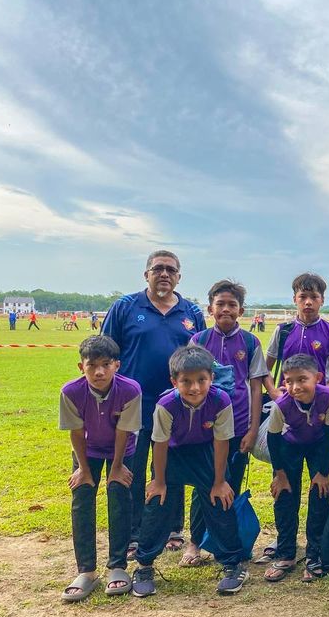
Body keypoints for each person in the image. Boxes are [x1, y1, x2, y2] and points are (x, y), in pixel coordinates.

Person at [101, 250, 206, 558]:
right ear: (145, 274)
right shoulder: (125, 307)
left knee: (170, 467)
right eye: (158, 269)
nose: (164, 274)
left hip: (178, 406)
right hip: (133, 404)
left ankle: (171, 528)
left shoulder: (192, 313)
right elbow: (106, 352)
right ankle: (134, 531)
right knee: (132, 466)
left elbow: (199, 359)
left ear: (179, 277)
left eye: (170, 270)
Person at [131, 346, 249, 597]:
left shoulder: (220, 400)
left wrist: (219, 481)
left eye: (201, 380)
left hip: (205, 452)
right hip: (172, 454)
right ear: (174, 381)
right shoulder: (166, 404)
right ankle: (144, 565)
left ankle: (233, 563)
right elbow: (160, 444)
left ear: (211, 379)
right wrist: (159, 480)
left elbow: (221, 442)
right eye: (186, 381)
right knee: (158, 503)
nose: (194, 388)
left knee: (220, 500)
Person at [184, 280, 274, 567]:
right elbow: (188, 384)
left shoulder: (250, 342)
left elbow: (256, 387)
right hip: (203, 428)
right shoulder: (198, 341)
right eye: (220, 304)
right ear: (210, 308)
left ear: (241, 310)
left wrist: (251, 430)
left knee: (230, 484)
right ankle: (195, 543)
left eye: (231, 305)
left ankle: (229, 544)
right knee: (203, 485)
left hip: (237, 427)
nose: (225, 309)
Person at [58, 335, 141, 602]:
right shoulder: (70, 391)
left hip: (121, 448)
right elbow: (76, 432)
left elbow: (124, 431)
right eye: (92, 365)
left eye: (106, 364)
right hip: (87, 449)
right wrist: (83, 469)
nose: (99, 371)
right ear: (81, 367)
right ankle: (87, 571)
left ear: (117, 365)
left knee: (119, 493)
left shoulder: (130, 390)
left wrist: (117, 468)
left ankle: (118, 566)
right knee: (82, 497)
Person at [264, 354, 329, 583]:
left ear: (317, 378)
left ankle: (314, 554)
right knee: (285, 497)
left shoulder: (328, 397)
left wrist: (323, 473)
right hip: (289, 446)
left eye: (302, 380)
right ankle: (286, 553)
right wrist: (280, 475)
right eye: (289, 381)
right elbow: (273, 439)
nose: (295, 387)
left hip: (318, 445)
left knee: (320, 495)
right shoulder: (282, 404)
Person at [265, 273, 329, 394]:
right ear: (294, 299)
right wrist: (273, 391)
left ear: (322, 300)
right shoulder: (282, 331)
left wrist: (323, 393)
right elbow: (265, 369)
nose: (308, 302)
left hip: (320, 405)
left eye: (314, 297)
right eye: (302, 297)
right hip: (286, 401)